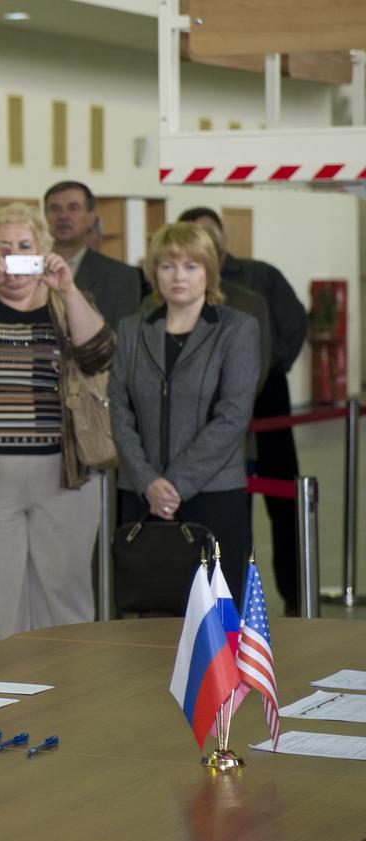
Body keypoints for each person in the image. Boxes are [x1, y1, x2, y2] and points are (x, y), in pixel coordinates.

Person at [0, 203, 114, 646]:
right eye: (3, 248)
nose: (14, 257)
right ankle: (7, 701)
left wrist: (67, 290)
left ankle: (71, 699)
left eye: (25, 247)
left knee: (66, 603)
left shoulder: (68, 300)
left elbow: (100, 352)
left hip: (65, 476)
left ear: (44, 251)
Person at [109, 223, 261, 597]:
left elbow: (232, 416)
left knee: (216, 620)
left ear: (209, 271)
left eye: (191, 266)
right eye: (168, 266)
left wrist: (174, 484)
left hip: (212, 495)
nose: (179, 276)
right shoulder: (131, 330)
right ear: (153, 272)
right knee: (149, 618)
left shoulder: (237, 330)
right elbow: (119, 410)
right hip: (142, 496)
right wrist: (148, 482)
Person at [179, 207, 306, 613]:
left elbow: (292, 324)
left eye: (210, 236)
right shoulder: (176, 288)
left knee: (283, 508)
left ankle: (294, 595)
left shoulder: (257, 278)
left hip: (266, 407)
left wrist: (266, 370)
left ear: (222, 241)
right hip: (200, 418)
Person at [44, 181, 142, 327]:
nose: (63, 216)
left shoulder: (121, 276)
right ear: (45, 216)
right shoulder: (31, 269)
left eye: (73, 208)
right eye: (55, 209)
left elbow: (123, 338)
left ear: (91, 217)